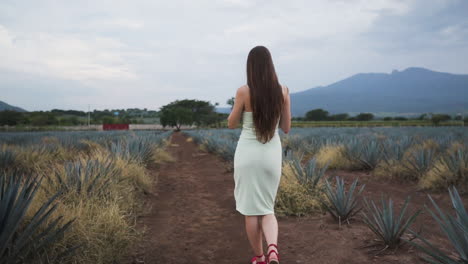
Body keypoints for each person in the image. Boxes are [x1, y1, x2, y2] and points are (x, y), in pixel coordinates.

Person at [227, 46, 291, 264]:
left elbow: (231, 123)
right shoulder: (283, 91)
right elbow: (286, 127)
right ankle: (273, 249)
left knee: (250, 210)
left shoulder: (244, 91)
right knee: (267, 207)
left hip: (247, 154)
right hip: (271, 155)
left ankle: (260, 257)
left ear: (250, 66)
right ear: (271, 65)